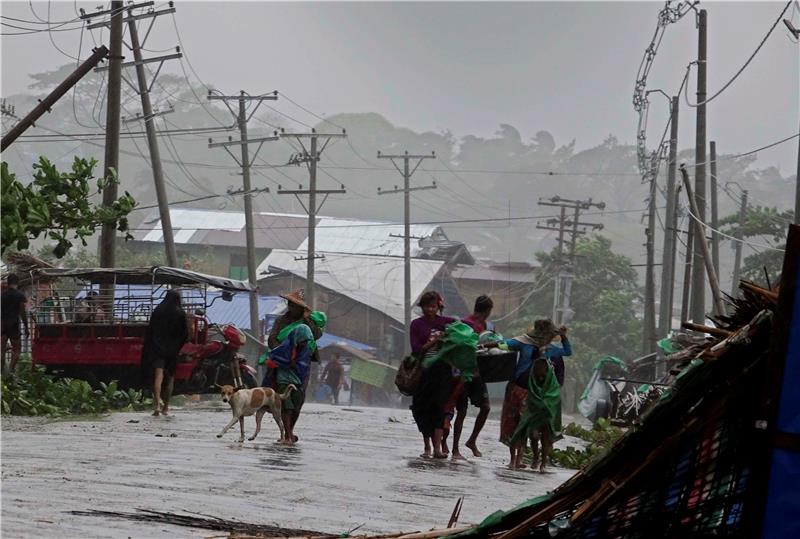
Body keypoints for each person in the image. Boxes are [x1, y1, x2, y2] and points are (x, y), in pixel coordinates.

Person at [485, 318, 558, 468]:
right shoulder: (523, 342)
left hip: (535, 393)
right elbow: (503, 344)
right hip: (516, 388)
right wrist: (482, 345)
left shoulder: (549, 351)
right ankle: (513, 460)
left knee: (527, 427)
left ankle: (522, 459)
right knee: (513, 424)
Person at [263, 289, 324, 444]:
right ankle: (287, 434)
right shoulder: (281, 321)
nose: (291, 307)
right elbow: (272, 340)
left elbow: (316, 335)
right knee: (284, 398)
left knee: (298, 399)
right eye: (289, 304)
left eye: (295, 305)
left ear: (302, 309)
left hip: (302, 366)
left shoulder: (308, 322)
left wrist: (307, 319)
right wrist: (285, 352)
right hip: (283, 364)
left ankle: (289, 431)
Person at [409, 291, 456, 459]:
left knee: (439, 408)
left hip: (443, 372)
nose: (430, 309)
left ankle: (437, 448)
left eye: (434, 306)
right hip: (424, 372)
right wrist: (434, 341)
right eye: (427, 306)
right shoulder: (416, 324)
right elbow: (416, 349)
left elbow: (464, 328)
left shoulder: (447, 323)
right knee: (422, 408)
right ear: (422, 307)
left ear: (439, 307)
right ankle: (426, 445)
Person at [451, 294, 494, 460]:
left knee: (486, 407)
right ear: (487, 310)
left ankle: (472, 441)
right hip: (463, 373)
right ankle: (455, 449)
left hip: (478, 374)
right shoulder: (465, 324)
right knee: (461, 411)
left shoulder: (486, 326)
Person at [510, 357, 562, 472]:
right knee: (533, 437)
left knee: (545, 439)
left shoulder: (553, 384)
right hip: (534, 414)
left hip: (548, 415)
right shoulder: (532, 382)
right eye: (537, 373)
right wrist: (538, 403)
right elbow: (532, 398)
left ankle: (543, 462)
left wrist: (544, 403)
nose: (540, 377)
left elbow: (554, 398)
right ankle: (535, 457)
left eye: (542, 373)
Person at [142, 290, 188, 416]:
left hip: (157, 349)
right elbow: (184, 334)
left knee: (158, 376)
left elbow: (150, 331)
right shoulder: (180, 313)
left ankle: (156, 405)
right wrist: (177, 346)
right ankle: (166, 407)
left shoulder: (158, 311)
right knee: (170, 378)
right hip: (173, 351)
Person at [1, 274, 29, 375]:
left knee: (2, 350)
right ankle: (10, 371)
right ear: (17, 282)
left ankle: (1, 371)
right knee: (17, 350)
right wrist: (26, 327)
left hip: (2, 325)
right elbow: (22, 312)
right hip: (14, 325)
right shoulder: (20, 295)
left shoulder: (2, 295)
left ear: (8, 282)